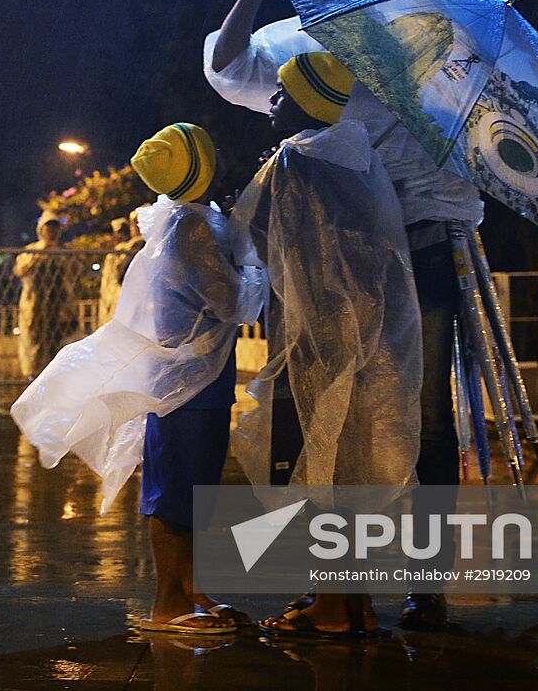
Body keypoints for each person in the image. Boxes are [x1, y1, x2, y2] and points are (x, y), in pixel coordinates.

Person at [208, 0, 480, 631]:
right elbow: (224, 65)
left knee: (425, 416)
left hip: (422, 242)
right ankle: (335, 585)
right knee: (326, 407)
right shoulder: (300, 46)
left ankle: (423, 581)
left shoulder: (433, 47)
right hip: (343, 255)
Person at [12, 123, 265, 635]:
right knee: (175, 487)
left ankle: (192, 590)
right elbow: (233, 302)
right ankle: (168, 602)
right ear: (203, 168)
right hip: (183, 383)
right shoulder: (189, 229)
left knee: (195, 486)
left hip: (199, 377)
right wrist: (257, 266)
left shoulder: (194, 221)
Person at [224, 47, 423, 640]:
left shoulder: (294, 160)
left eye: (282, 95)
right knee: (353, 473)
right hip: (373, 343)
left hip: (318, 342)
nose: (272, 106)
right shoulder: (361, 158)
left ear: (305, 103)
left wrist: (262, 174)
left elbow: (248, 237)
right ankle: (356, 604)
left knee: (321, 472)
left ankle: (332, 609)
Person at [12, 212, 71, 380]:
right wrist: (40, 253)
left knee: (57, 342)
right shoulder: (31, 251)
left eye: (54, 226)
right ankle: (33, 376)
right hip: (35, 305)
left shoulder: (62, 253)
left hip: (57, 306)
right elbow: (20, 270)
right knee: (34, 342)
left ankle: (55, 377)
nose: (51, 230)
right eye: (48, 226)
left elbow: (72, 276)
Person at [97, 212, 144, 324]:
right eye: (118, 232)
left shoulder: (133, 247)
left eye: (123, 232)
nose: (121, 235)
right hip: (111, 296)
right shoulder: (114, 254)